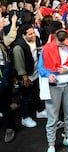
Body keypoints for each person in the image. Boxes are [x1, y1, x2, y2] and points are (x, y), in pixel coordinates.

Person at [38, 30, 68, 152]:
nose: (61, 46)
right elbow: (41, 67)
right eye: (59, 44)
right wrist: (48, 74)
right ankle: (51, 144)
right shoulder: (47, 48)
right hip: (53, 86)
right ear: (55, 39)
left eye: (64, 43)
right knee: (52, 117)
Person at [12, 23, 46, 128]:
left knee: (38, 93)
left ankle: (40, 110)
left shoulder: (37, 40)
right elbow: (19, 64)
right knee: (26, 97)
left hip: (36, 72)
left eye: (33, 33)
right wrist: (25, 77)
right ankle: (25, 117)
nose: (33, 35)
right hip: (27, 75)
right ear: (23, 35)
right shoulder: (18, 46)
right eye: (30, 34)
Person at [0, 13, 17, 143]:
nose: (2, 21)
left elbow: (9, 39)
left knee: (4, 104)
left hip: (3, 74)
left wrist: (14, 23)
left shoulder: (1, 38)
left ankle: (10, 127)